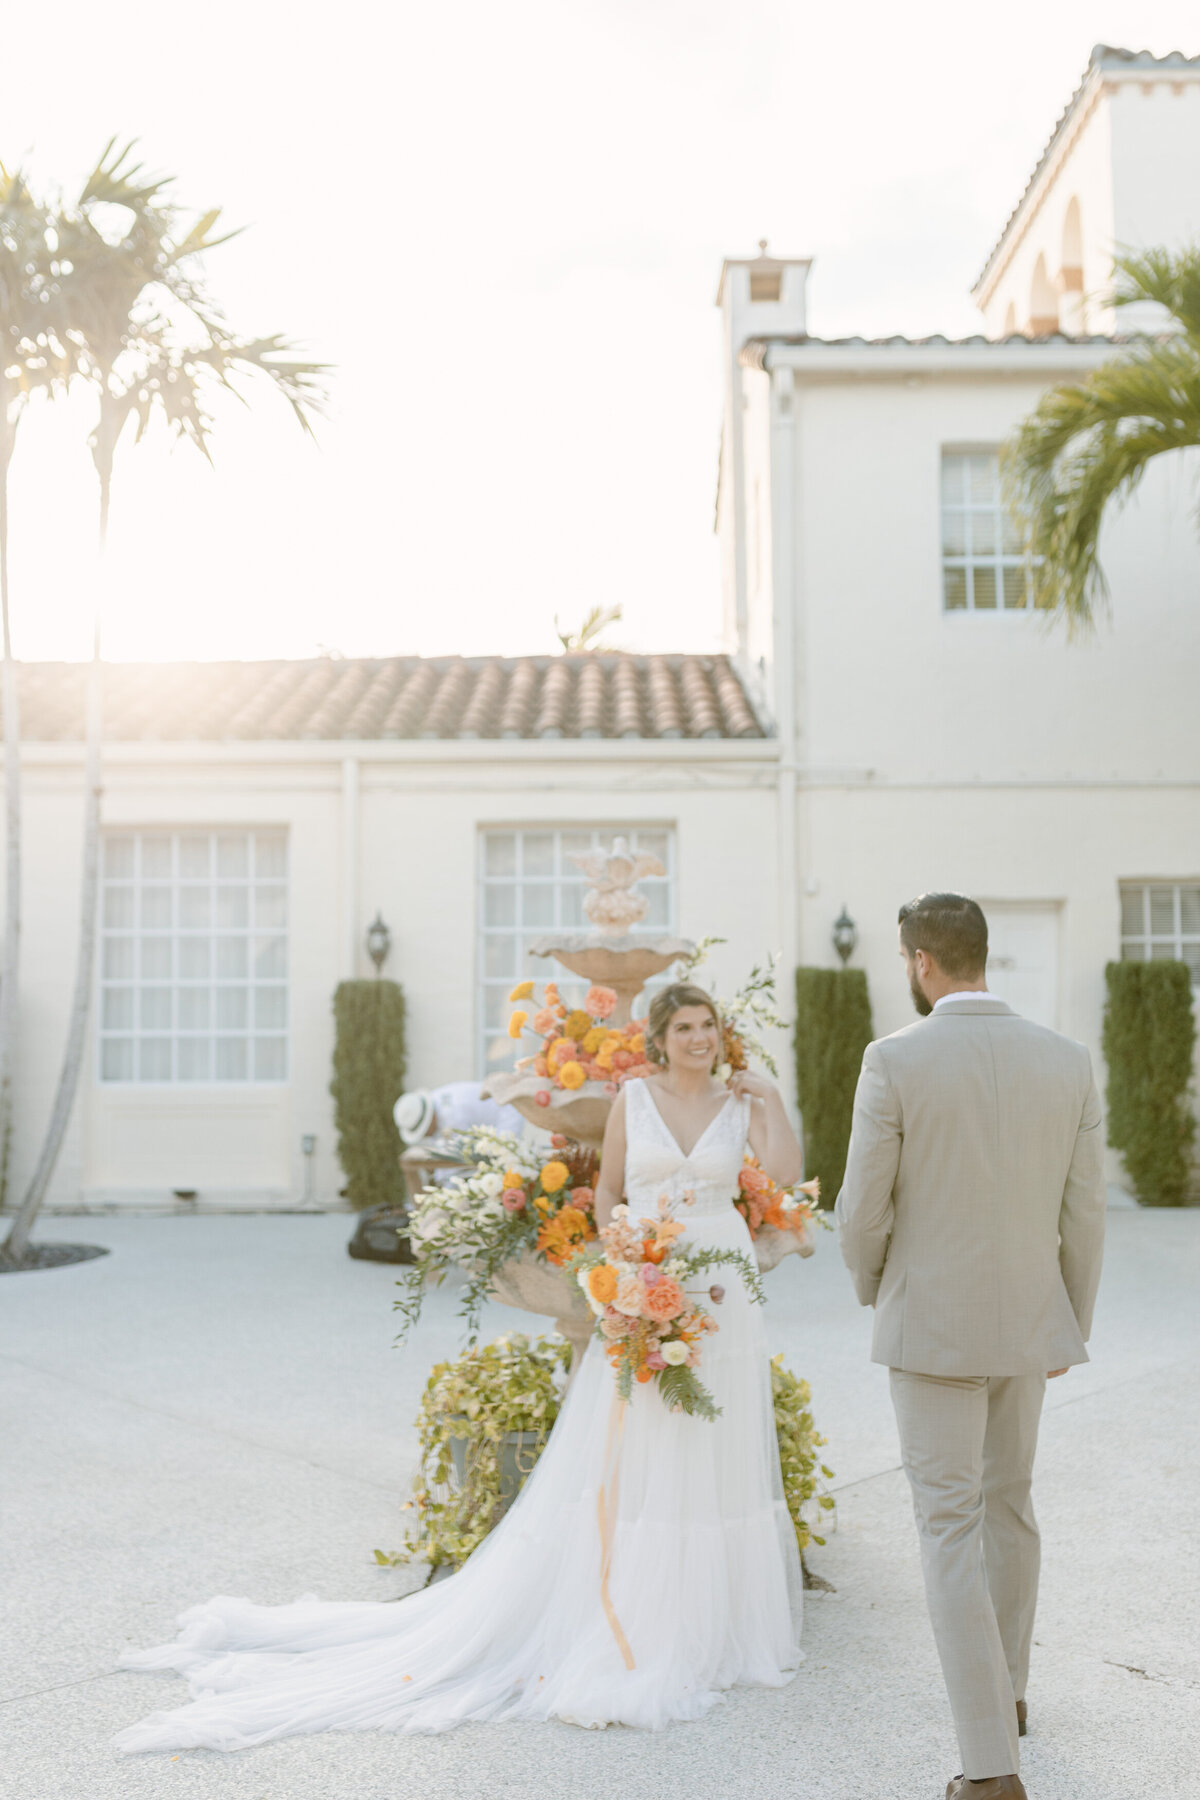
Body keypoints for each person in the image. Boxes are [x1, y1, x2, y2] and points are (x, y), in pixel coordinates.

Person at [113, 982, 807, 1752]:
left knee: (712, 1440)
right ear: (659, 1037)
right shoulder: (633, 1102)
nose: (698, 1038)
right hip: (645, 1280)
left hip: (720, 1282)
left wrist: (772, 1099)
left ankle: (715, 1621)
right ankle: (639, 1611)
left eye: (708, 1025)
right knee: (642, 1443)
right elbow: (610, 1189)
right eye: (684, 1026)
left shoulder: (740, 1099)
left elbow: (778, 1176)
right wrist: (627, 1262)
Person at [836, 893, 1106, 1800]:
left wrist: (882, 1288)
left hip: (931, 1327)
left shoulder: (894, 1059)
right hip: (1029, 1325)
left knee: (948, 1526)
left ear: (919, 962)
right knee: (1011, 1507)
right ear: (983, 955)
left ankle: (991, 1768)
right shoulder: (1068, 1062)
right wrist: (1070, 1320)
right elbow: (1085, 1215)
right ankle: (1010, 1694)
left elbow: (860, 1209)